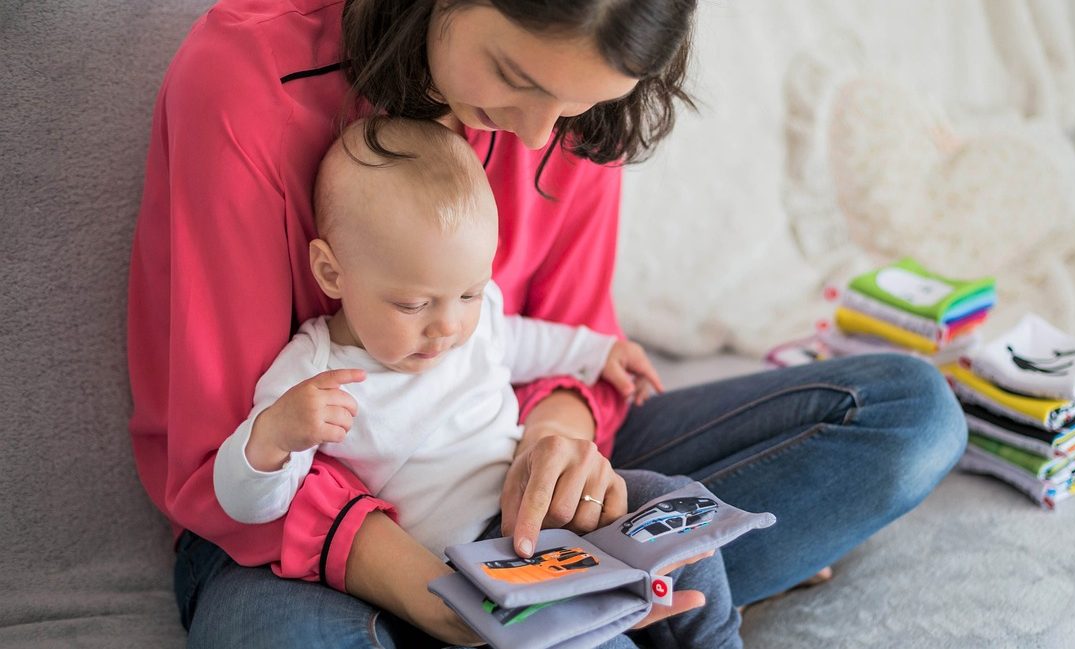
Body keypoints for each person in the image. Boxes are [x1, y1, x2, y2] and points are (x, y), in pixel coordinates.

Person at [128, 0, 968, 646]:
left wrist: (557, 445)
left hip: (509, 489)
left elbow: (569, 342)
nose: (539, 134)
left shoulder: (569, 112)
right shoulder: (242, 82)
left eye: (575, 104)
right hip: (286, 532)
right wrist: (438, 592)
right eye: (516, 78)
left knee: (911, 415)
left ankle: (599, 597)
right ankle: (602, 606)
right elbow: (225, 456)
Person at [210, 117, 741, 647]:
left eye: (468, 293)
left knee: (680, 508)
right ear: (332, 273)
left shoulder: (470, 318)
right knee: (585, 638)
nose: (448, 327)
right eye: (412, 304)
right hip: (474, 560)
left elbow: (519, 340)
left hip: (544, 501)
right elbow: (249, 505)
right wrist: (273, 438)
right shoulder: (314, 373)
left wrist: (597, 351)